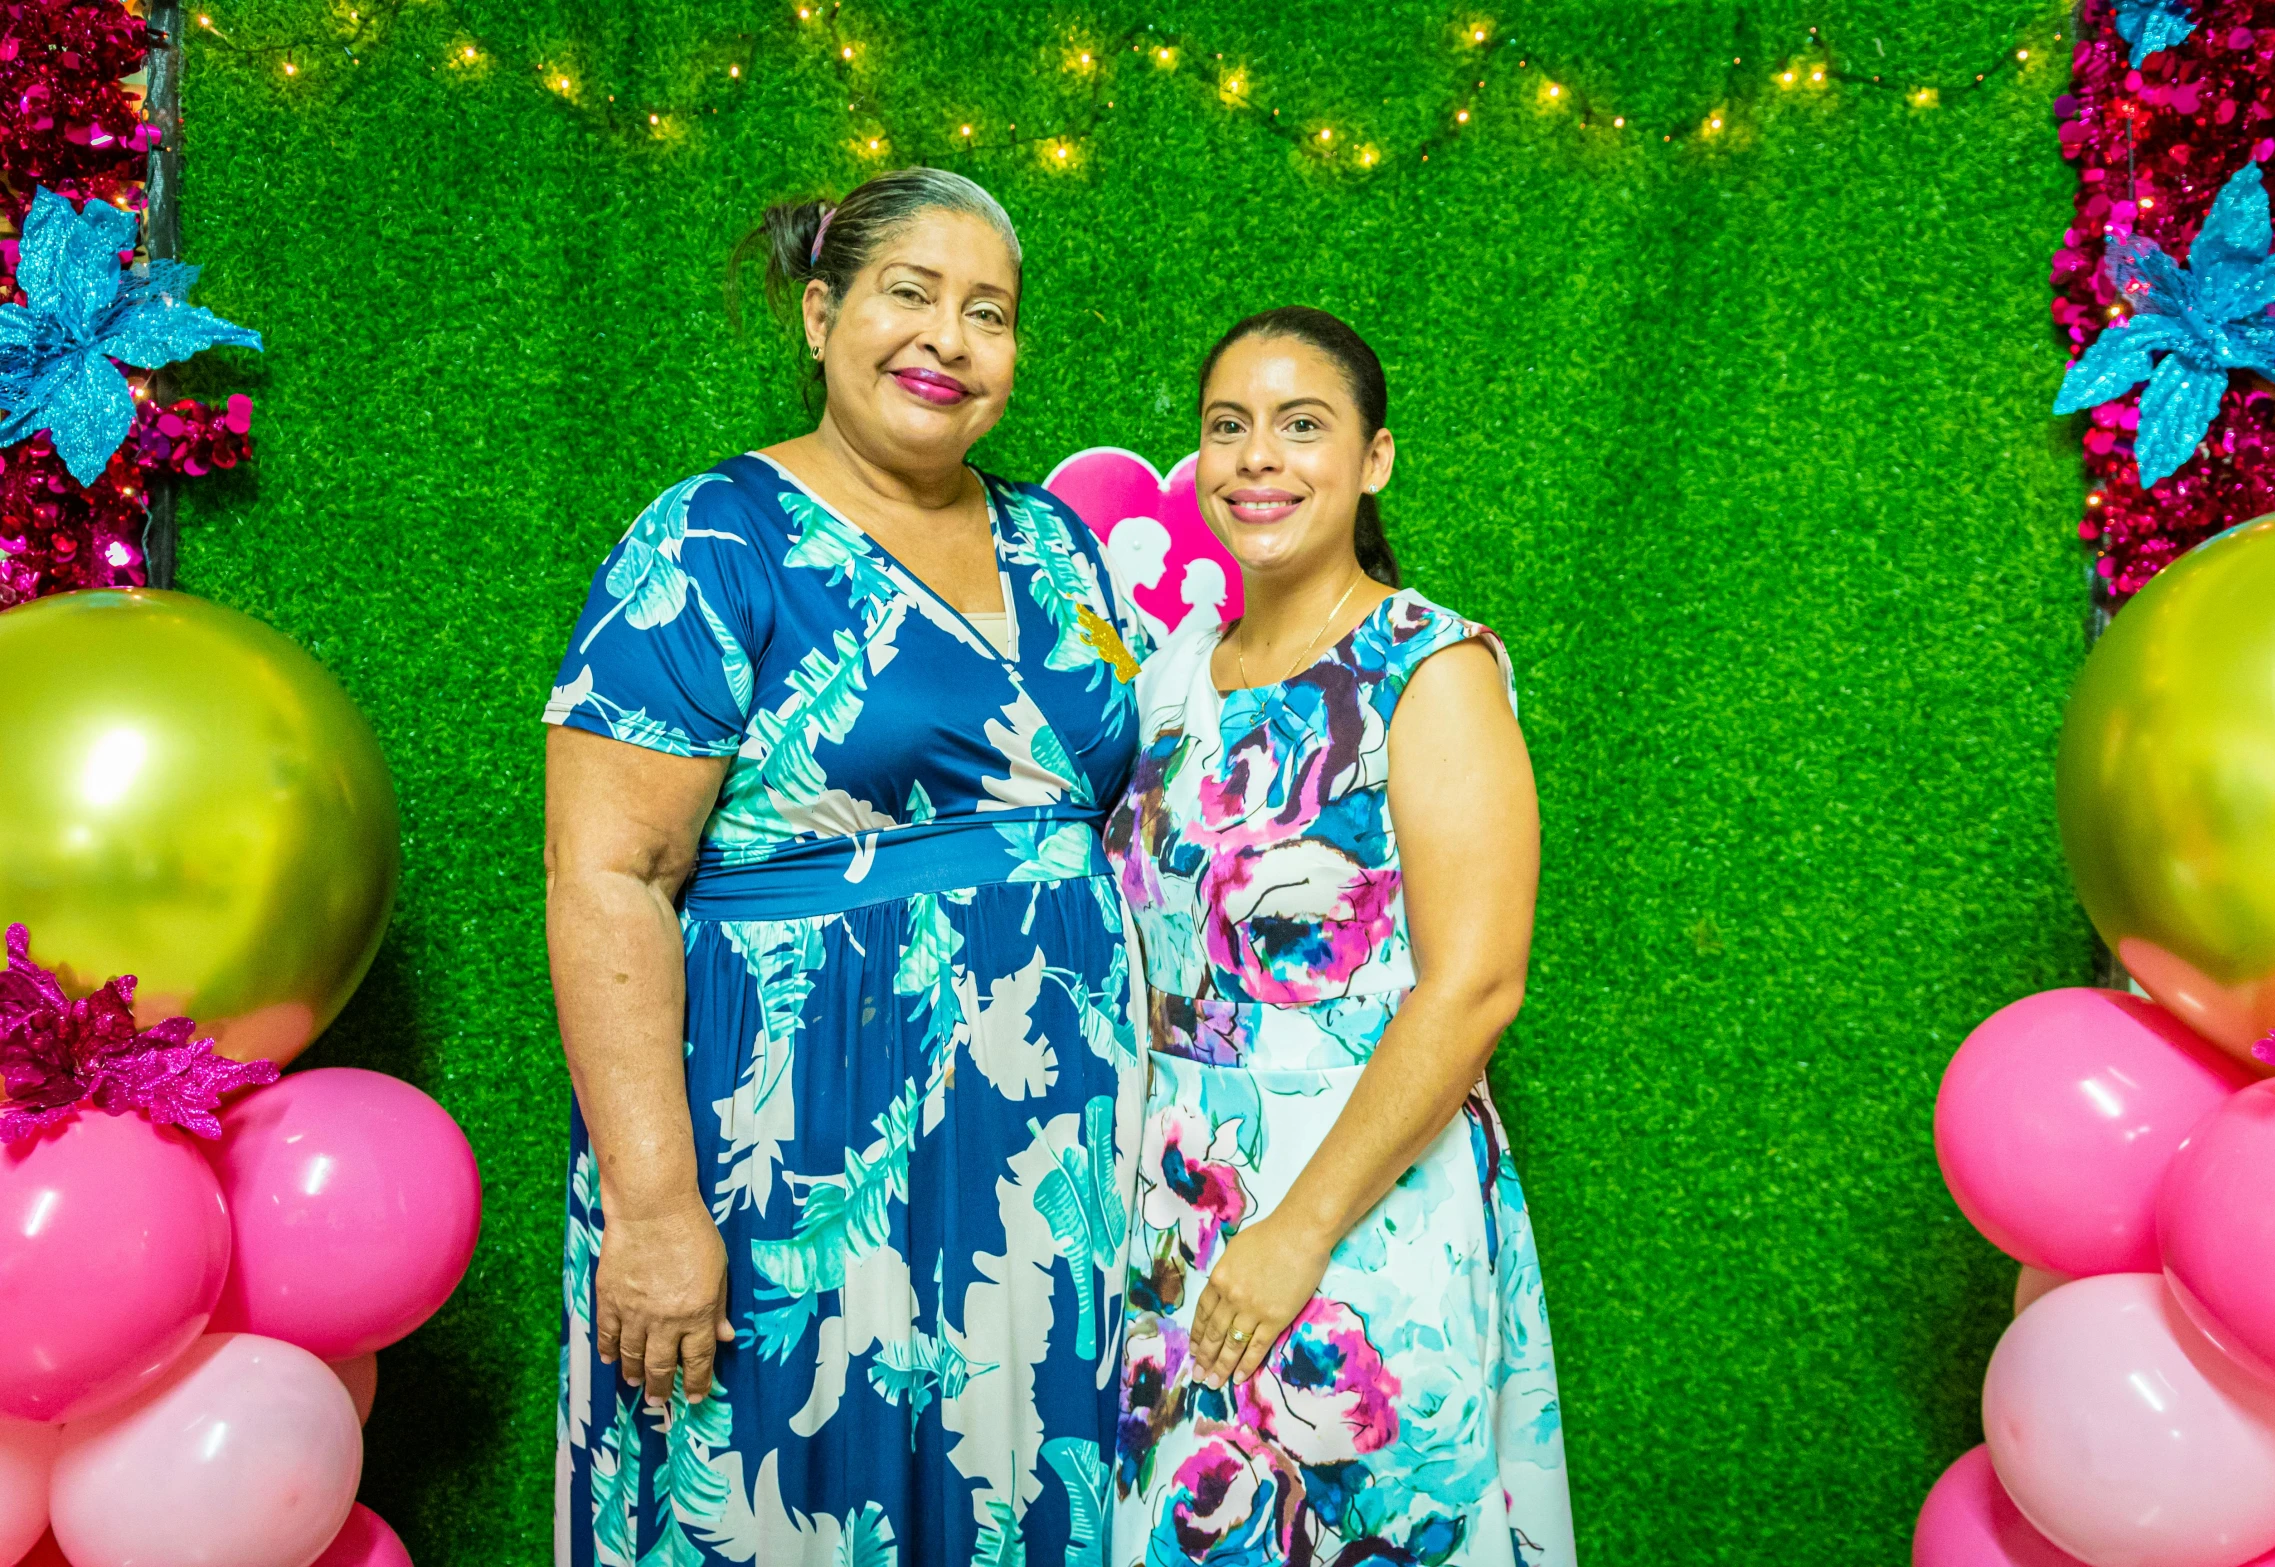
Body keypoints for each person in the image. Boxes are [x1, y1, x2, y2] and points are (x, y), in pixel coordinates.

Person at [543, 167, 1153, 1566]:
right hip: (795, 1163)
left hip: (1038, 1174)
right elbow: (608, 875)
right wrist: (652, 1209)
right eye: (908, 294)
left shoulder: (1055, 544)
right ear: (820, 315)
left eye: (987, 313)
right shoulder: (710, 540)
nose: (948, 340)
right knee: (783, 1500)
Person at [1104, 307, 1576, 1564]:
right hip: (1176, 1208)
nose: (1259, 457)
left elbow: (1474, 986)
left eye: (1301, 426)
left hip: (1359, 1207)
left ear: (1371, 459)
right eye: (1228, 427)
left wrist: (1298, 1230)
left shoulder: (1431, 668)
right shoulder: (1169, 676)